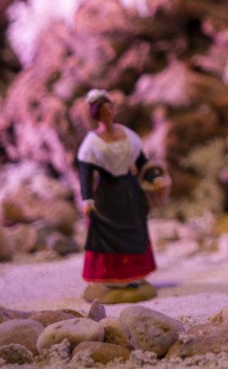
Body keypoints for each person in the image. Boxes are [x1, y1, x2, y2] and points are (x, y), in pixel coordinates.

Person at [76, 89, 163, 302]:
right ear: (96, 114)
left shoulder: (128, 134)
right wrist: (87, 200)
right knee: (108, 235)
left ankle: (135, 275)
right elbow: (86, 174)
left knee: (135, 231)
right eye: (103, 111)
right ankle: (112, 279)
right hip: (107, 195)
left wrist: (154, 178)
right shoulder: (91, 143)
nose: (108, 113)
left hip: (130, 191)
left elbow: (142, 161)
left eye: (110, 108)